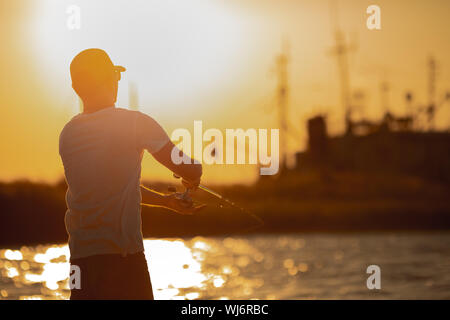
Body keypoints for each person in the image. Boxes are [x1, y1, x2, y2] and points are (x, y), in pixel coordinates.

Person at [59, 48, 203, 300]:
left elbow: (112, 187)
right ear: (110, 80)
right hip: (123, 261)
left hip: (80, 266)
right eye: (115, 76)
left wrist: (166, 201)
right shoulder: (135, 123)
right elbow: (187, 166)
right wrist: (192, 175)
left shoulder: (68, 135)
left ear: (76, 87)